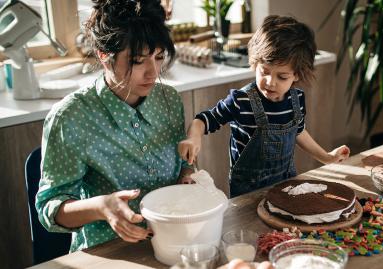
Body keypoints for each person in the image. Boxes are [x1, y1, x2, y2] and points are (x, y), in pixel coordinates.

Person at [36, 0, 193, 252]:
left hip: (171, 238)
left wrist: (187, 175)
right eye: (138, 60)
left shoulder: (168, 100)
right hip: (108, 250)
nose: (153, 72)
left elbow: (183, 163)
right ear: (104, 56)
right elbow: (50, 208)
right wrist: (101, 207)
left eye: (159, 56)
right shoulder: (71, 117)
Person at [178, 15, 350, 197]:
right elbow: (203, 120)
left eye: (282, 77)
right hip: (247, 191)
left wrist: (326, 157)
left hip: (286, 183)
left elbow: (298, 131)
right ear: (255, 63)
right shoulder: (241, 100)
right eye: (264, 71)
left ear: (297, 75)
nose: (270, 82)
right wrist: (193, 138)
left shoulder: (296, 99)